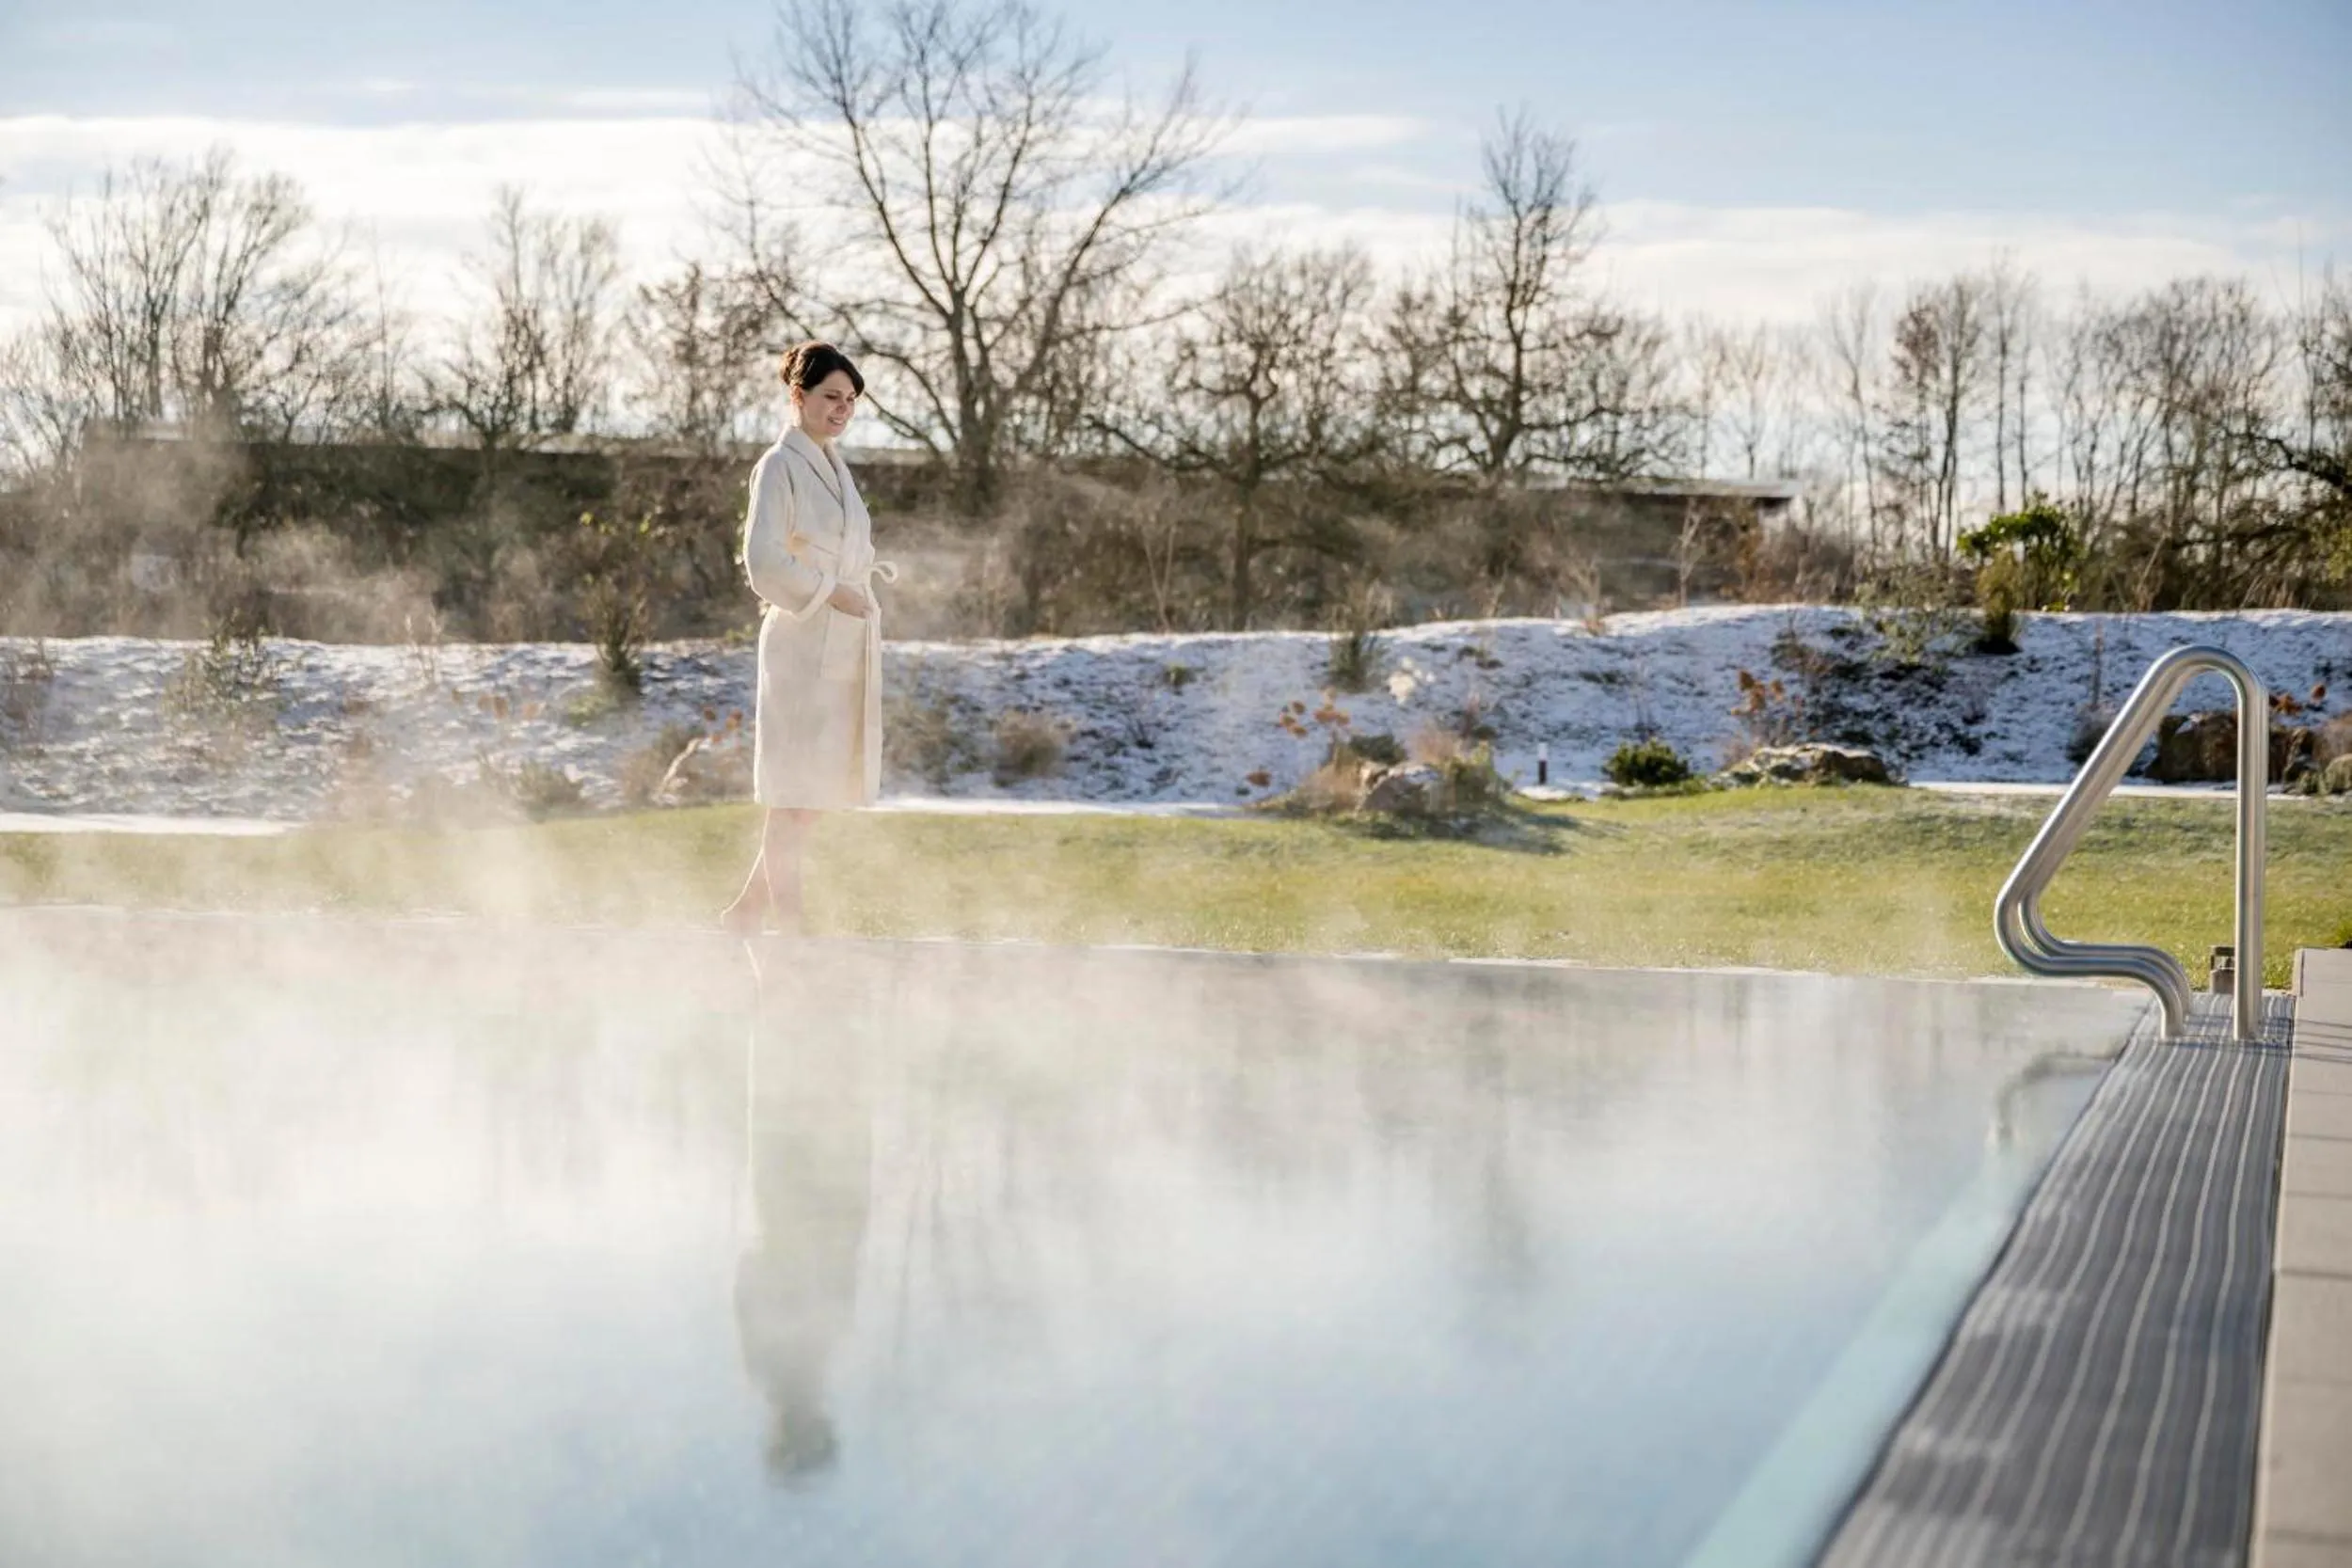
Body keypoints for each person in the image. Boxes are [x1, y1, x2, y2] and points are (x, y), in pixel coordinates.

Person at [722, 341, 897, 936]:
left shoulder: (834, 467)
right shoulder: (779, 465)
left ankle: (747, 911)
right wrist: (830, 592)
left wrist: (853, 594)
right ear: (798, 396)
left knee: (815, 791)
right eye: (830, 397)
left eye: (850, 400)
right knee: (794, 791)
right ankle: (790, 927)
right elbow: (762, 559)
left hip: (843, 646)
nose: (842, 409)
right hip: (801, 644)